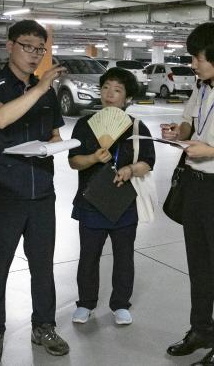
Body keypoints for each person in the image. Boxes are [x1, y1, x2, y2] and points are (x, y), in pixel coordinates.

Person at [0, 20, 69, 366]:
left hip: (41, 188)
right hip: (3, 189)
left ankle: (43, 325)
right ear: (9, 45)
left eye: (39, 48)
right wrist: (40, 88)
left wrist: (57, 146)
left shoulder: (47, 93)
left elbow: (56, 136)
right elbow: (0, 119)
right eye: (27, 46)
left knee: (43, 263)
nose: (34, 54)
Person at [161, 22, 214, 366]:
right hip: (193, 187)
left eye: (197, 58)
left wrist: (210, 152)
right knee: (198, 267)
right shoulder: (201, 88)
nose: (193, 64)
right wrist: (178, 131)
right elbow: (190, 124)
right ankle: (200, 330)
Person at [68, 67, 155, 326]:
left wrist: (130, 169)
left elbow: (148, 162)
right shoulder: (85, 125)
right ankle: (85, 303)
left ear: (127, 97)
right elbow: (73, 162)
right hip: (91, 200)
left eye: (117, 90)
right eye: (106, 87)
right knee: (88, 256)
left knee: (124, 256)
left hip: (124, 202)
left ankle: (120, 304)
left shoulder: (137, 127)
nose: (109, 94)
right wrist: (93, 158)